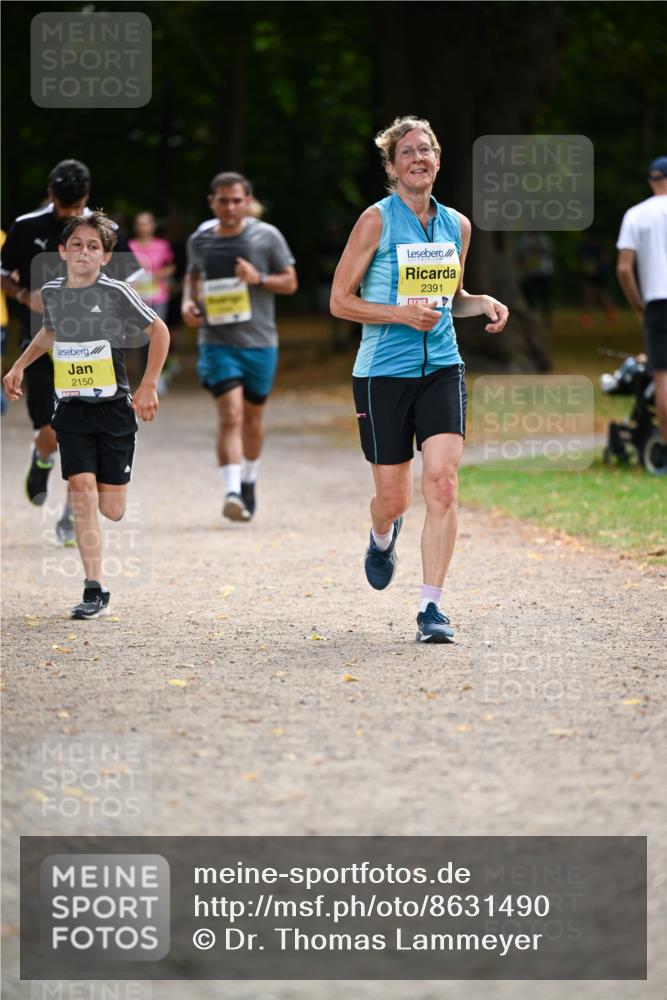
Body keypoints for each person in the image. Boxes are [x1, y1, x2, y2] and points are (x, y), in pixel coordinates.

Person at [330, 116, 508, 644]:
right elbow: (340, 302)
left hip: (442, 368)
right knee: (394, 498)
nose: (418, 158)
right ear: (391, 166)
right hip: (383, 374)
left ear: (437, 161)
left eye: (426, 149)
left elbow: (450, 298)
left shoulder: (458, 225)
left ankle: (431, 609)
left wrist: (484, 304)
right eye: (407, 151)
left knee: (443, 484)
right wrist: (399, 314)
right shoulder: (375, 222)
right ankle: (382, 535)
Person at [2, 212, 170, 619]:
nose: (84, 252)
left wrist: (148, 385)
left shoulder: (116, 292)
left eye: (93, 246)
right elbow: (50, 332)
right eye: (76, 244)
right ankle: (95, 588)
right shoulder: (55, 292)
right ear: (61, 251)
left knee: (112, 509)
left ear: (105, 257)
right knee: (81, 491)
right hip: (72, 407)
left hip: (114, 410)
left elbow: (160, 331)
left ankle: (111, 477)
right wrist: (19, 366)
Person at [0, 160, 140, 543]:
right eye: (62, 204)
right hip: (42, 341)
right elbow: (3, 273)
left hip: (94, 348)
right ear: (50, 193)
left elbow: (128, 277)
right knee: (49, 431)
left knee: (77, 431)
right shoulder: (26, 226)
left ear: (87, 197)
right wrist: (24, 295)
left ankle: (69, 512)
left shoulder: (101, 229)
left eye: (74, 203)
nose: (67, 211)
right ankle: (42, 457)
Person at [182, 171, 297, 521]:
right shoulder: (199, 240)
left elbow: (290, 282)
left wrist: (258, 278)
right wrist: (188, 303)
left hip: (260, 342)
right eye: (223, 200)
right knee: (230, 414)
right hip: (218, 341)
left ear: (247, 201)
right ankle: (231, 491)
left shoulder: (267, 236)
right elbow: (193, 276)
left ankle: (248, 480)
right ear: (212, 202)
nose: (230, 207)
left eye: (237, 200)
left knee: (252, 419)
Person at [616, 155, 667, 449]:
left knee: (662, 376)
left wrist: (639, 306)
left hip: (658, 301)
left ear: (652, 180)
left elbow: (624, 268)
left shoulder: (636, 214)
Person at [129, 211, 176, 394]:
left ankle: (160, 376)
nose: (143, 227)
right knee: (143, 339)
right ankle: (146, 376)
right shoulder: (130, 245)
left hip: (158, 297)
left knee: (159, 334)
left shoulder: (162, 245)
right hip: (137, 299)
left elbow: (171, 266)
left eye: (146, 223)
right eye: (139, 224)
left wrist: (159, 274)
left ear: (153, 226)